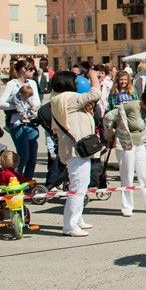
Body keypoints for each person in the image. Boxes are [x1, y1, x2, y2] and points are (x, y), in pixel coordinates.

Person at [50, 69, 102, 237]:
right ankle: (70, 226)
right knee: (78, 186)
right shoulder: (67, 98)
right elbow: (95, 93)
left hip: (75, 149)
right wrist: (94, 76)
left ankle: (77, 218)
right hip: (76, 150)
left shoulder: (58, 98)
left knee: (82, 184)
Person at [104, 96, 146, 216]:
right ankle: (127, 207)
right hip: (125, 144)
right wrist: (110, 133)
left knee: (145, 174)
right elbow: (108, 117)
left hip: (139, 144)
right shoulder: (131, 106)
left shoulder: (145, 109)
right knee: (127, 175)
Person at [0, 60, 41, 179]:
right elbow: (0, 104)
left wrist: (33, 107)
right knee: (23, 155)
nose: (34, 72)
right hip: (17, 124)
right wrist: (19, 107)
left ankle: (28, 181)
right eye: (31, 69)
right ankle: (16, 180)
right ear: (23, 70)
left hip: (32, 122)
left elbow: (37, 101)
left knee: (32, 156)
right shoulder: (12, 84)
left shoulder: (32, 83)